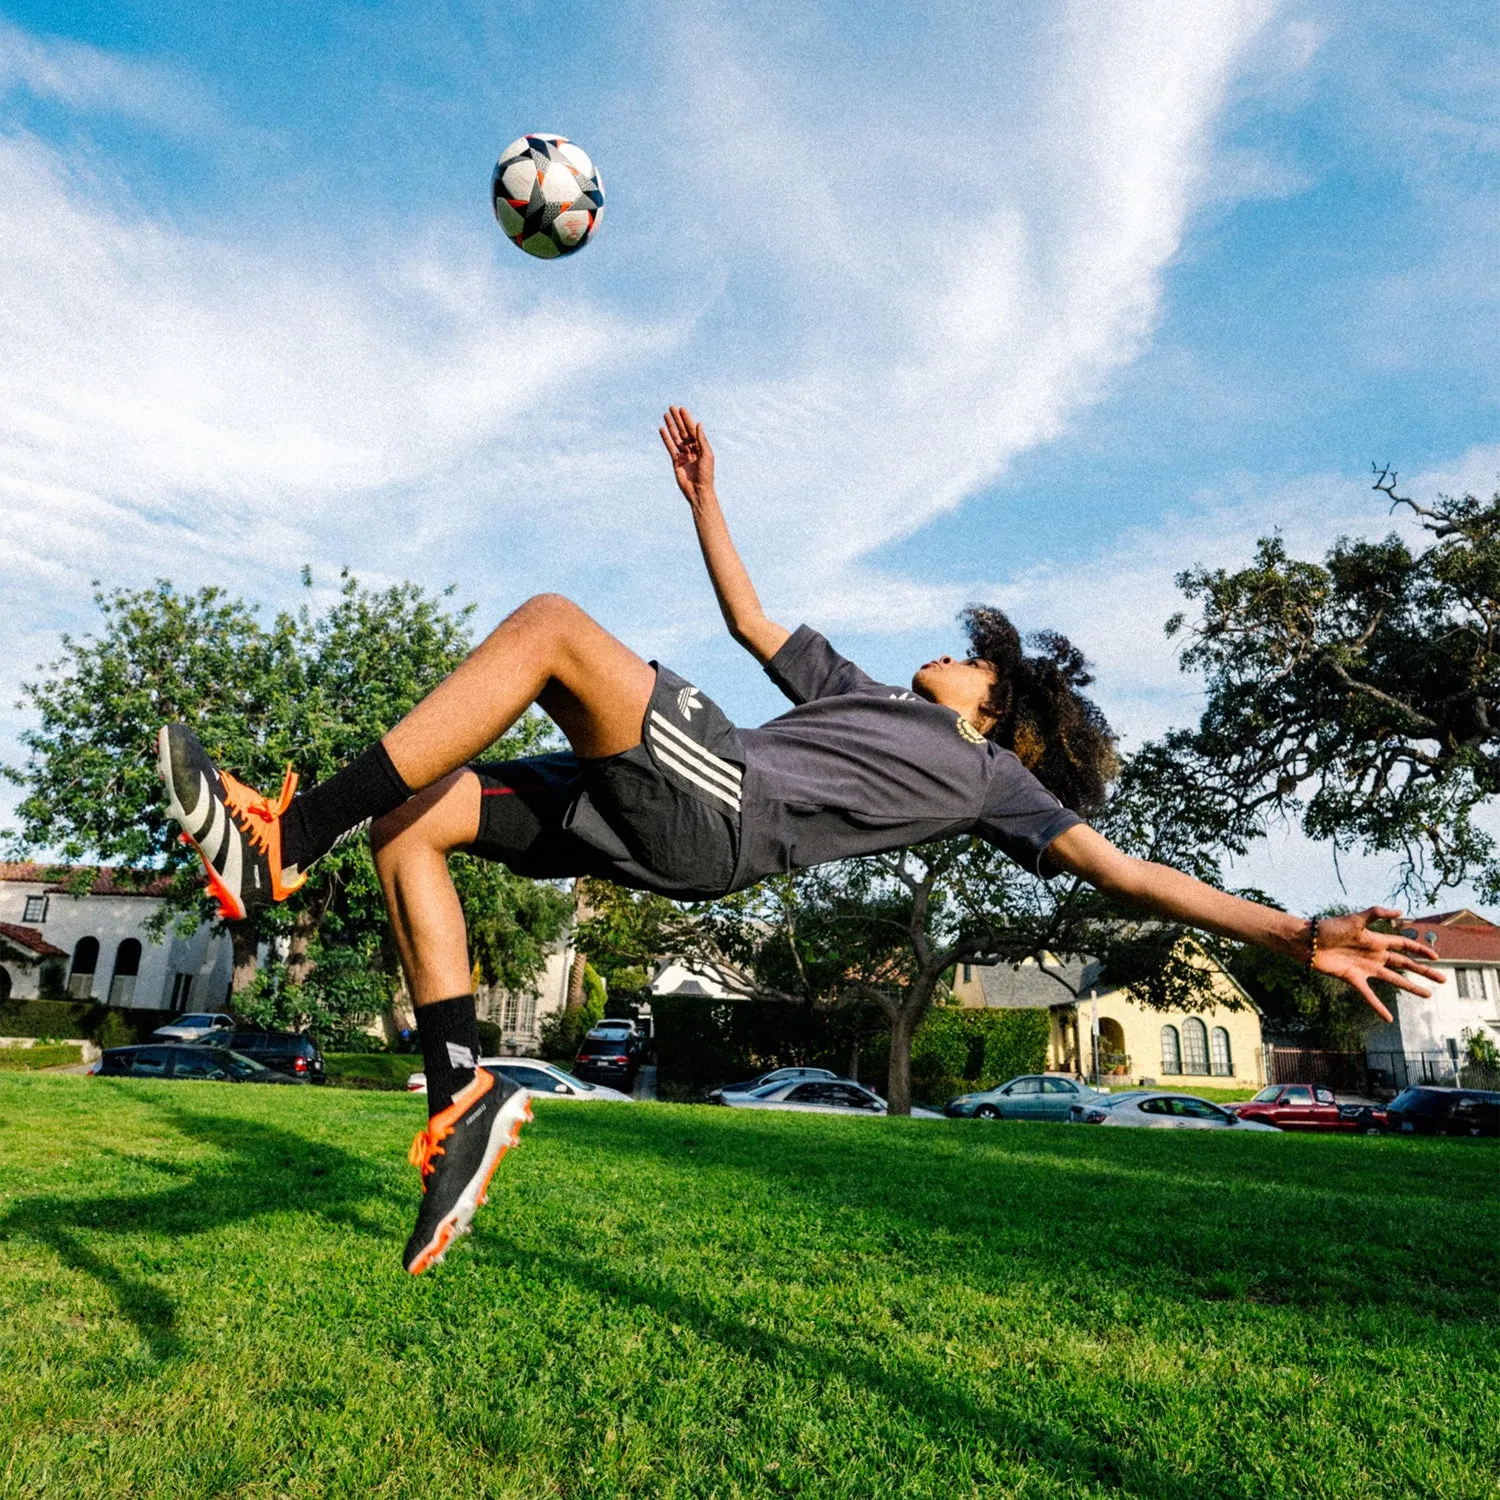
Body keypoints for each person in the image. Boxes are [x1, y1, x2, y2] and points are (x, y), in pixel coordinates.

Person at [157, 407, 1443, 1274]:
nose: (940, 653)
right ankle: (462, 1102)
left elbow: (1125, 871)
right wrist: (707, 499)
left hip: (715, 806)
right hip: (659, 814)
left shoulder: (994, 781)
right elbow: (749, 619)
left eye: (966, 657)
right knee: (413, 826)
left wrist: (1293, 930)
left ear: (998, 709)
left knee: (550, 626)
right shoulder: (860, 693)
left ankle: (278, 844)